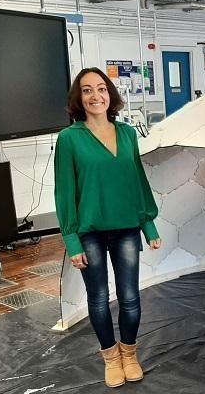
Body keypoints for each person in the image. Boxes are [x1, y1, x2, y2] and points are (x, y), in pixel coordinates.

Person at [54, 67, 162, 388]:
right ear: (79, 98)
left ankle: (129, 354)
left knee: (130, 298)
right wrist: (72, 241)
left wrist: (149, 225)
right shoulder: (69, 138)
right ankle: (111, 358)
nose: (95, 95)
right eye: (87, 90)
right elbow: (64, 193)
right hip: (89, 232)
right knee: (98, 298)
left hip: (127, 227)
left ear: (110, 94)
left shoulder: (128, 133)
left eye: (100, 88)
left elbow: (137, 182)